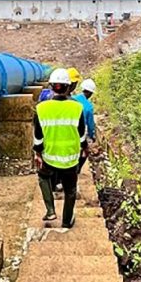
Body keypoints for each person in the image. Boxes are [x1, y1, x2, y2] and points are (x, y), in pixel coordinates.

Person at [33, 68, 88, 229]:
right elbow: (82, 134)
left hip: (49, 156)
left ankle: (50, 210)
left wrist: (38, 154)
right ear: (68, 86)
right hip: (71, 159)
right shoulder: (77, 107)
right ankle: (67, 221)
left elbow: (38, 137)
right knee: (70, 190)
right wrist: (85, 148)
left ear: (51, 86)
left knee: (43, 177)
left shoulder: (41, 108)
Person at [72, 78, 97, 170]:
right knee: (85, 151)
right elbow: (90, 125)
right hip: (81, 132)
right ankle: (77, 169)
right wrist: (92, 136)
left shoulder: (73, 99)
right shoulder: (88, 106)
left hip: (70, 129)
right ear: (90, 93)